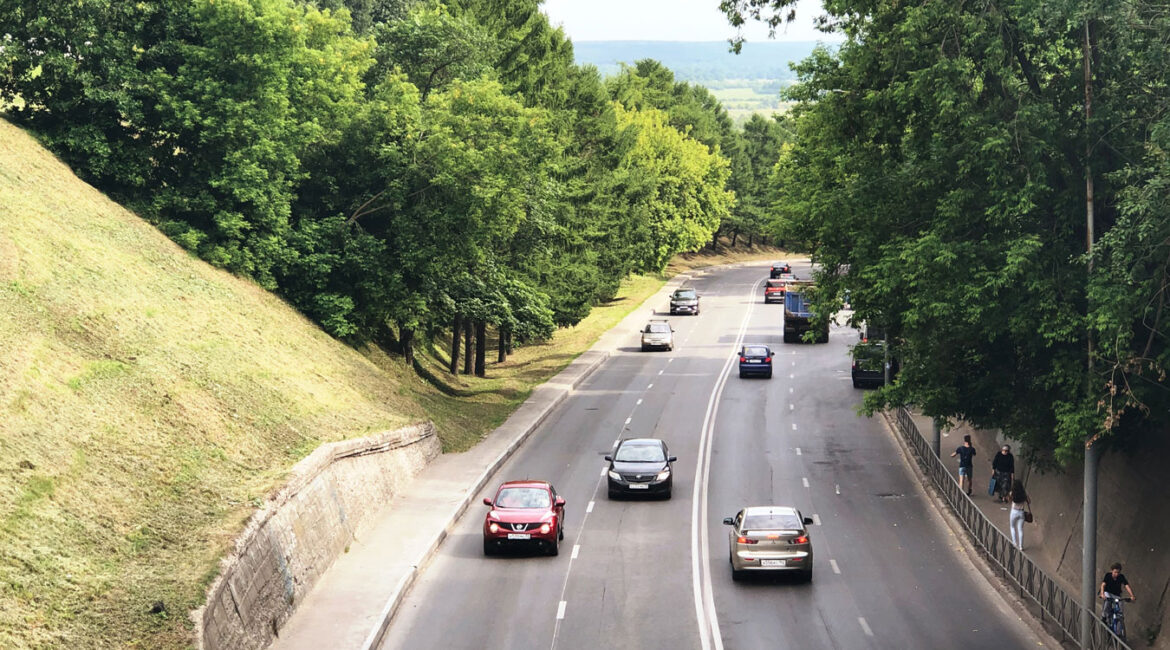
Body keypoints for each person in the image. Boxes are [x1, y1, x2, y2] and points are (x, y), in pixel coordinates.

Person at [1008, 479, 1030, 550]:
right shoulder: (1024, 493)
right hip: (1021, 512)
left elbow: (1009, 500)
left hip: (1014, 511)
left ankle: (1014, 543)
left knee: (1012, 527)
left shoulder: (1012, 493)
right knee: (1020, 529)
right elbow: (1029, 501)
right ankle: (1021, 546)